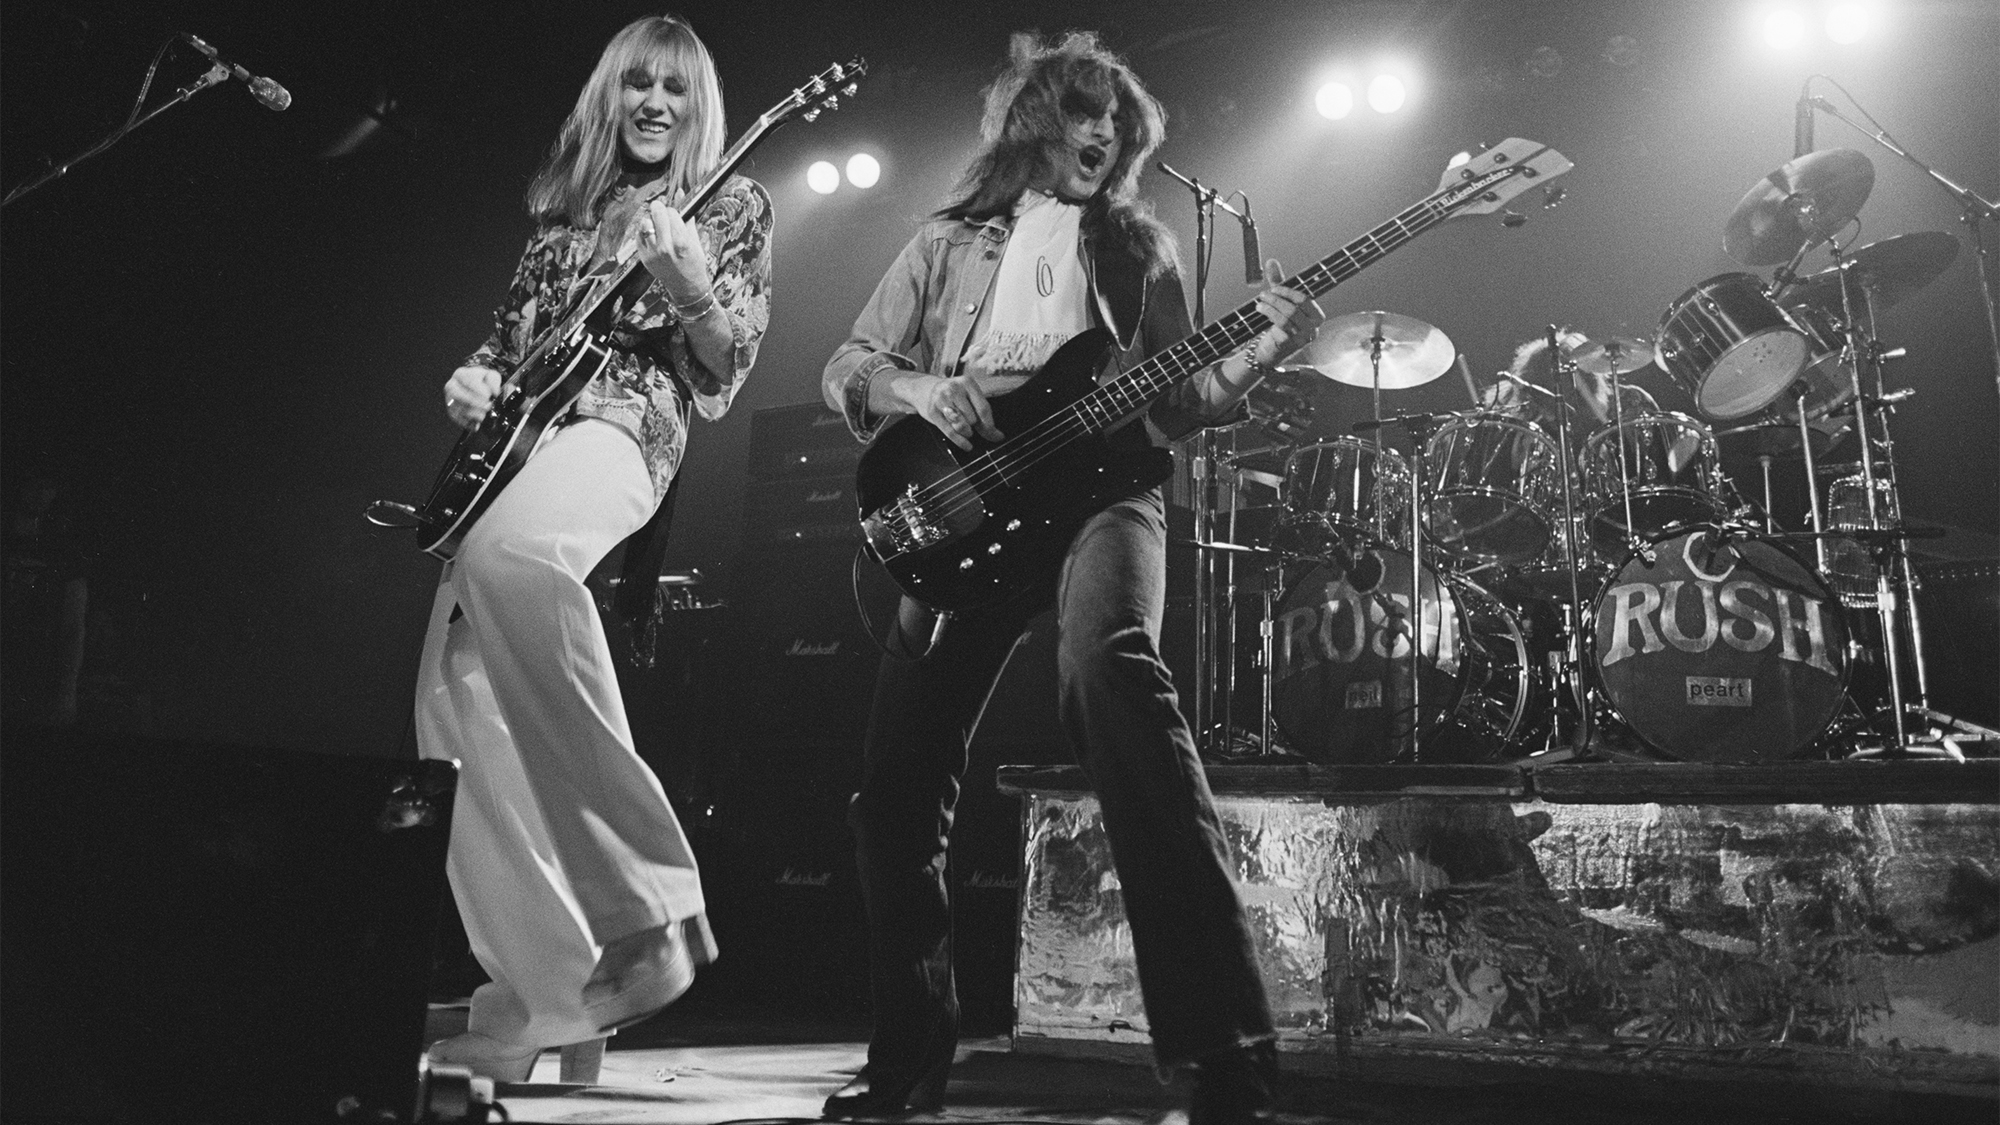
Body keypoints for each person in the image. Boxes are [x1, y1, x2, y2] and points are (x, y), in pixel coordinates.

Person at [820, 32, 1322, 1125]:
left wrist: (1262, 349)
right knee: (895, 788)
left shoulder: (1139, 250)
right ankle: (905, 1062)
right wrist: (919, 391)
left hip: (1106, 494)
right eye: (1082, 113)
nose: (1100, 132)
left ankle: (1223, 1053)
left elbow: (1178, 403)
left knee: (1109, 671)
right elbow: (848, 364)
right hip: (963, 505)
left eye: (1115, 121)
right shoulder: (946, 239)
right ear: (1034, 122)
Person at [415, 14, 771, 1083]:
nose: (654, 103)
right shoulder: (563, 214)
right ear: (607, 97)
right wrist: (472, 381)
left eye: (674, 88)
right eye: (636, 85)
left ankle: (649, 905)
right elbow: (504, 344)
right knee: (452, 706)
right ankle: (551, 996)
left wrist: (688, 282)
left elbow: (726, 367)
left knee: (514, 563)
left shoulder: (729, 203)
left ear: (698, 105)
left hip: (625, 426)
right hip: (522, 448)